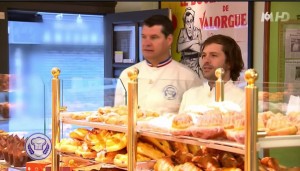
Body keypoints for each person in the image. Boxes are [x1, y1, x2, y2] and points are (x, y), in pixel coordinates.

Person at [115, 15, 202, 114]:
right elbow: (117, 115)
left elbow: (195, 120)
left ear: (169, 40)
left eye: (154, 37)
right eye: (144, 37)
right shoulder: (127, 74)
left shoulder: (188, 78)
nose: (147, 43)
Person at [179, 34, 245, 113]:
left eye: (213, 55)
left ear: (229, 62)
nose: (206, 60)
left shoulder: (242, 98)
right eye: (203, 55)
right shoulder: (189, 95)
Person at [177, 7, 203, 78]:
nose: (189, 25)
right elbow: (179, 48)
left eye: (191, 21)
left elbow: (200, 50)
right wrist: (194, 41)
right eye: (187, 22)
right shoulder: (182, 32)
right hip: (184, 66)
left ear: (193, 21)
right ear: (184, 22)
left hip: (195, 66)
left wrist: (185, 44)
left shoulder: (197, 31)